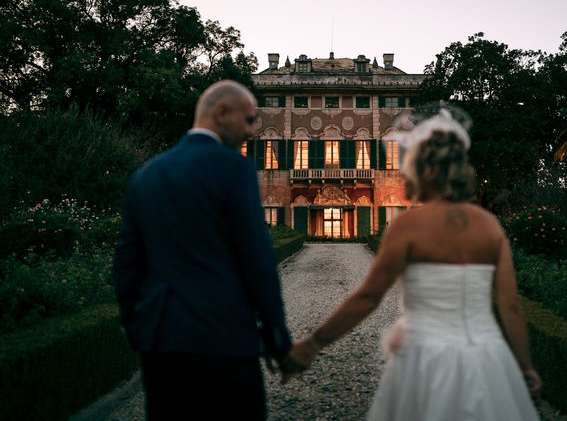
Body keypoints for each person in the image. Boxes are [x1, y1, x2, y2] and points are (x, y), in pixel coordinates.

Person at [287, 109, 542, 420]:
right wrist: (525, 366)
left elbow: (368, 298)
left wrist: (314, 343)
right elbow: (511, 305)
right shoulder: (489, 227)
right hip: (488, 359)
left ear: (428, 171)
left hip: (425, 360)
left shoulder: (408, 226)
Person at [113, 80, 294, 420]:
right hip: (222, 339)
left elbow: (126, 266)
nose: (254, 132)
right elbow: (256, 257)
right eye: (249, 119)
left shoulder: (145, 176)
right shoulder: (233, 168)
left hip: (160, 345)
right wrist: (276, 335)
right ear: (222, 112)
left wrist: (137, 329)